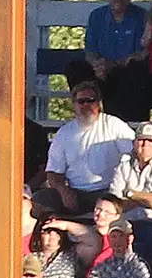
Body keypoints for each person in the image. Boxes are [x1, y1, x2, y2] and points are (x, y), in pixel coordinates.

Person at [36, 83, 135, 217]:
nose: (86, 105)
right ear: (74, 105)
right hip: (76, 193)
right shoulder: (64, 133)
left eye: (90, 100)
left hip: (109, 191)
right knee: (41, 198)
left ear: (99, 104)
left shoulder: (114, 125)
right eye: (81, 101)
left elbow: (136, 153)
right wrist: (63, 191)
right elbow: (53, 172)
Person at [66, 0, 151, 123]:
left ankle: (129, 125)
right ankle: (86, 115)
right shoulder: (97, 16)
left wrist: (115, 64)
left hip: (126, 70)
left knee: (135, 70)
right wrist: (97, 65)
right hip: (101, 70)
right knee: (75, 68)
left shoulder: (141, 16)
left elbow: (142, 52)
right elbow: (90, 49)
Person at [108, 120, 152, 271]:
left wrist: (130, 194)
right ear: (134, 143)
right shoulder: (123, 167)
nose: (145, 144)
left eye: (151, 140)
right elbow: (115, 204)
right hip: (128, 221)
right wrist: (149, 200)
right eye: (141, 140)